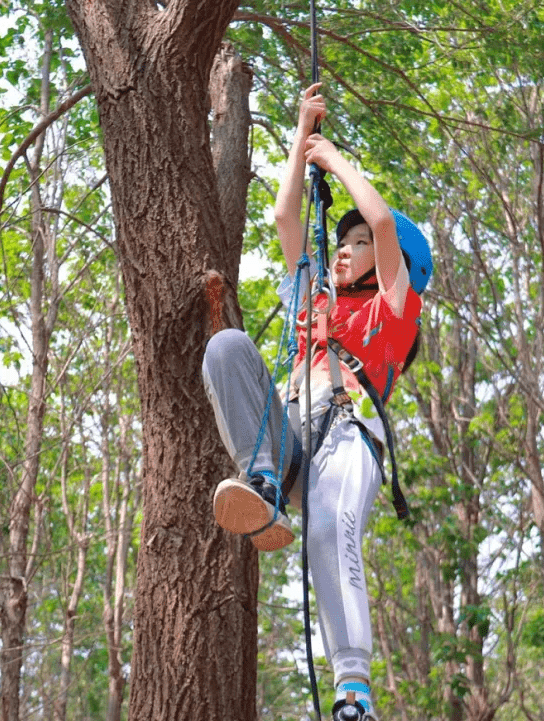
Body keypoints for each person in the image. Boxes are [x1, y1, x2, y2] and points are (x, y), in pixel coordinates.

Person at [201, 82, 431, 721]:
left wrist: (337, 164)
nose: (348, 248)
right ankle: (265, 482)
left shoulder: (392, 315)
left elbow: (383, 223)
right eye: (346, 241)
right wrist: (303, 134)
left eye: (355, 244)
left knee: (330, 531)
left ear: (388, 265)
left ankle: (353, 690)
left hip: (345, 439)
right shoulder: (315, 303)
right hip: (293, 438)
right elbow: (284, 218)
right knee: (225, 348)